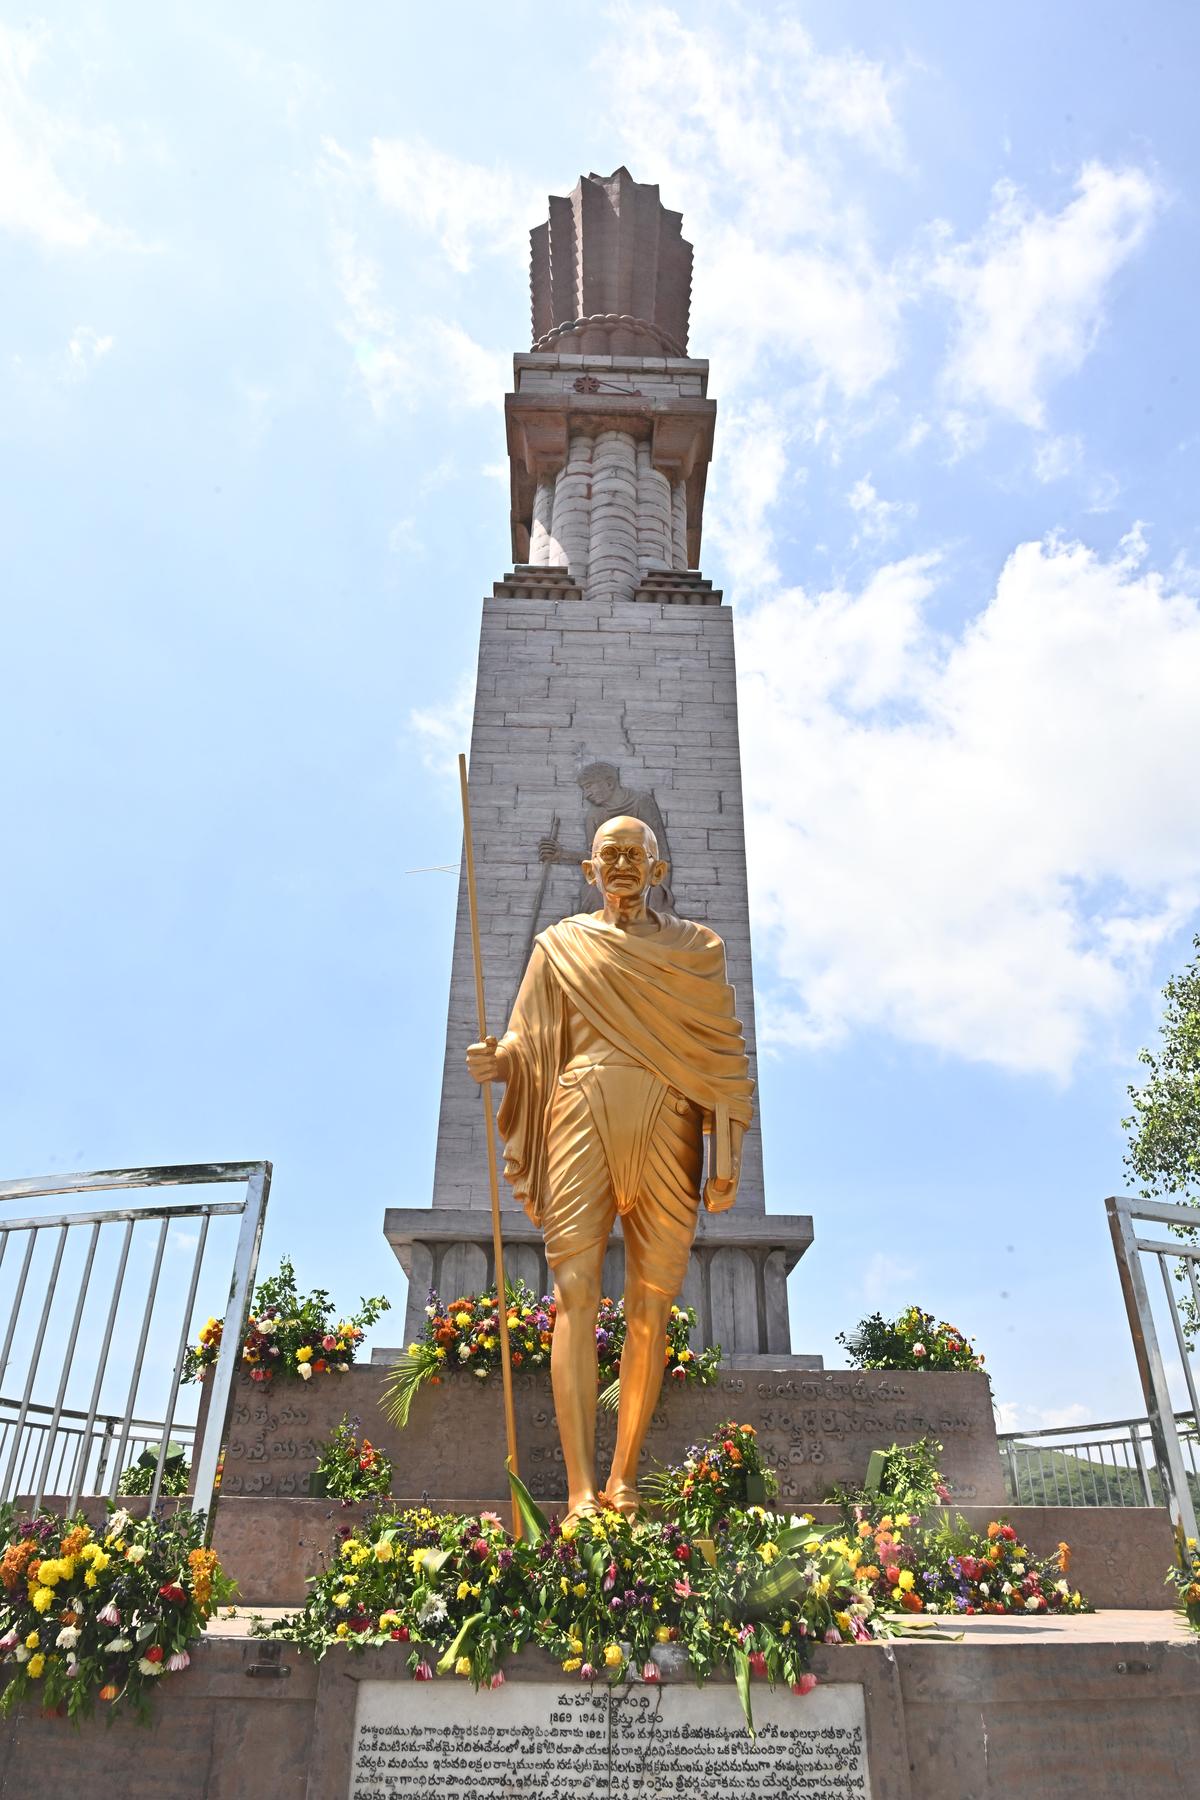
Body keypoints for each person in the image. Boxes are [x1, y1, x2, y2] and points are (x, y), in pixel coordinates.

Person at [466, 816, 752, 1520]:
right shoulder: (560, 946)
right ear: (590, 870)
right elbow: (528, 1036)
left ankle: (624, 1480)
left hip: (670, 1119)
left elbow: (724, 1059)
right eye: (609, 855)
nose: (622, 865)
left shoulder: (698, 950)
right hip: (581, 1110)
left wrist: (727, 1155)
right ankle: (579, 1492)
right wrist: (498, 1061)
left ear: (658, 869)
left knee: (652, 1306)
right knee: (575, 1292)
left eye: (636, 854)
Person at [538, 762, 674, 912]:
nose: (586, 794)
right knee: (593, 893)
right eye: (584, 789)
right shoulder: (594, 816)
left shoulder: (641, 803)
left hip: (644, 872)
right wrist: (562, 854)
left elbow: (661, 854)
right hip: (612, 876)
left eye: (589, 786)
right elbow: (597, 859)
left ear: (609, 783)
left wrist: (658, 888)